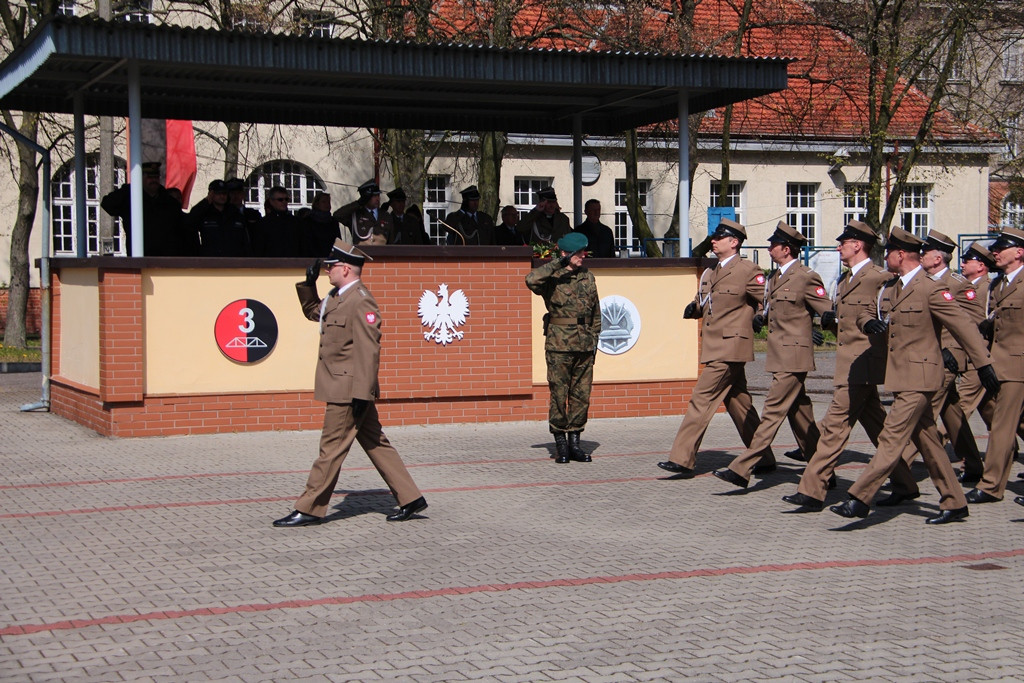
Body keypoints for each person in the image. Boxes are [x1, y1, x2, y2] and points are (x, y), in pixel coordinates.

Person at [829, 228, 999, 524]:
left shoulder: (931, 288)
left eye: (890, 253)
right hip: (900, 375)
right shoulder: (892, 287)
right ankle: (954, 501)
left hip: (921, 377)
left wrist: (984, 365)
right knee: (929, 441)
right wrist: (869, 322)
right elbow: (865, 310)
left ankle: (859, 497)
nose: (887, 258)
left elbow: (963, 326)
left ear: (900, 254)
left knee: (892, 437)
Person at [273, 239, 427, 527]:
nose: (327, 270)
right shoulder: (336, 296)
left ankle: (310, 507)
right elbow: (313, 314)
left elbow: (369, 350)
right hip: (344, 386)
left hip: (349, 389)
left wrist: (362, 391)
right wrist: (307, 287)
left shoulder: (361, 300)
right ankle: (410, 497)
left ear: (345, 268)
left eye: (331, 266)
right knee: (376, 442)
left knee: (330, 449)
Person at [782, 220, 918, 512]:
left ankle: (812, 490)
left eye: (842, 243)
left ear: (857, 245)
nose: (837, 247)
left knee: (834, 426)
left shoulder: (879, 278)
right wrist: (831, 320)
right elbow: (848, 322)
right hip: (849, 363)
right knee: (879, 428)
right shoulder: (846, 280)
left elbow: (891, 318)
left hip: (865, 362)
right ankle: (905, 484)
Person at [712, 222, 832, 489]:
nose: (769, 248)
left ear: (786, 249)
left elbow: (826, 308)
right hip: (779, 355)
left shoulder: (805, 276)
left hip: (794, 356)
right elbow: (770, 310)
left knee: (772, 413)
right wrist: (759, 318)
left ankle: (742, 468)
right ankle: (825, 472)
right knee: (800, 414)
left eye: (773, 245)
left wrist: (821, 323)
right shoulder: (775, 277)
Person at [657, 218, 766, 478]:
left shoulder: (748, 270)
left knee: (701, 400)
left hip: (731, 347)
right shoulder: (710, 272)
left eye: (719, 237)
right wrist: (694, 309)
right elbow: (705, 301)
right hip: (714, 344)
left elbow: (769, 300)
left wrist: (761, 315)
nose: (713, 241)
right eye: (713, 237)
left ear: (734, 242)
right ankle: (763, 456)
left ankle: (682, 458)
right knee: (739, 404)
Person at [912, 230, 985, 484]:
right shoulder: (923, 281)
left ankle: (898, 467)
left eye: (925, 252)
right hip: (930, 355)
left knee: (921, 413)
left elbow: (974, 321)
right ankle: (974, 464)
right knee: (952, 411)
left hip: (947, 359)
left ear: (938, 258)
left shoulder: (957, 284)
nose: (920, 256)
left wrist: (954, 351)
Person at [525, 232, 602, 463]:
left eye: (583, 252)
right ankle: (560, 444)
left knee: (581, 395)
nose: (583, 256)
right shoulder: (552, 277)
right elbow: (531, 279)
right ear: (566, 253)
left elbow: (596, 313)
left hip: (585, 345)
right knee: (559, 395)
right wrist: (559, 262)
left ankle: (575, 444)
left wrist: (594, 339)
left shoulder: (588, 277)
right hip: (559, 345)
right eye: (579, 253)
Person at [965, 226, 1024, 505]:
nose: (995, 252)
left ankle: (990, 486)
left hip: (1018, 365)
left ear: (1020, 252)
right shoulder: (998, 285)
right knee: (1012, 422)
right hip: (997, 363)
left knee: (1001, 425)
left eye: (1002, 247)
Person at [100, 161, 190, 255]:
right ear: (141, 178)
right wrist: (130, 188)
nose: (154, 180)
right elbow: (107, 204)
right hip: (139, 258)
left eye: (156, 177)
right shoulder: (130, 198)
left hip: (166, 260)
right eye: (150, 177)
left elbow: (182, 231)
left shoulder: (170, 202)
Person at [188, 179, 251, 257]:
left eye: (224, 193)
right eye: (218, 193)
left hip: (234, 261)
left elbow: (245, 240)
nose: (222, 196)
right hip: (211, 260)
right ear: (211, 194)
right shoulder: (205, 213)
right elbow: (190, 221)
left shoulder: (235, 213)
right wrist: (206, 201)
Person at [334, 180, 390, 246]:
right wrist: (358, 203)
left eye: (378, 195)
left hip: (381, 255)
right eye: (374, 196)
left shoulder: (386, 216)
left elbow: (391, 242)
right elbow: (337, 215)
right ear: (365, 197)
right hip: (361, 254)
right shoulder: (355, 215)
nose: (377, 198)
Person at [256, 186, 302, 257]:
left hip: (292, 263)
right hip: (271, 264)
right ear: (271, 201)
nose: (284, 202)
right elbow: (259, 248)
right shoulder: (263, 223)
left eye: (286, 199)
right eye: (280, 200)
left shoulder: (295, 222)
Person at [301, 191, 342, 258]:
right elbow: (307, 243)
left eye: (328, 202)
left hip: (331, 257)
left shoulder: (333, 221)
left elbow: (338, 240)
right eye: (324, 202)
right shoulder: (308, 221)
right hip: (312, 257)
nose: (327, 205)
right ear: (317, 204)